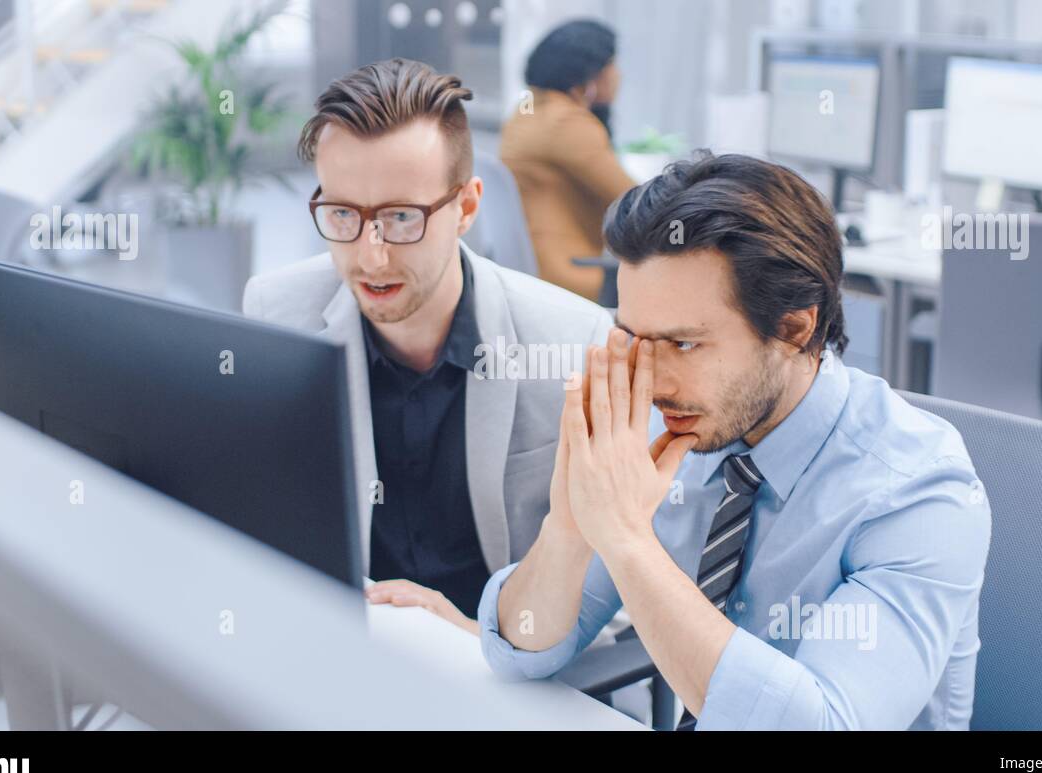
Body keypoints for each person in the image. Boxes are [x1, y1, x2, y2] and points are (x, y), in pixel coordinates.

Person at [478, 152, 992, 729]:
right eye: (634, 336)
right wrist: (572, 527)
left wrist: (624, 539)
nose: (652, 382)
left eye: (685, 344)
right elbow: (519, 649)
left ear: (794, 328)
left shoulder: (920, 492)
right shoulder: (673, 426)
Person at [243, 59, 613, 633]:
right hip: (345, 652)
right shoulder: (277, 311)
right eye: (342, 213)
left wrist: (473, 636)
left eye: (400, 217)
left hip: (502, 676)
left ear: (465, 208)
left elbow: (609, 599)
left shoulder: (573, 343)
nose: (370, 257)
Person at [500, 19, 636, 301]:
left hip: (530, 274)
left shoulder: (526, 111)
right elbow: (637, 201)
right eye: (612, 63)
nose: (618, 74)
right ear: (591, 74)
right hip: (572, 278)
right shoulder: (566, 123)